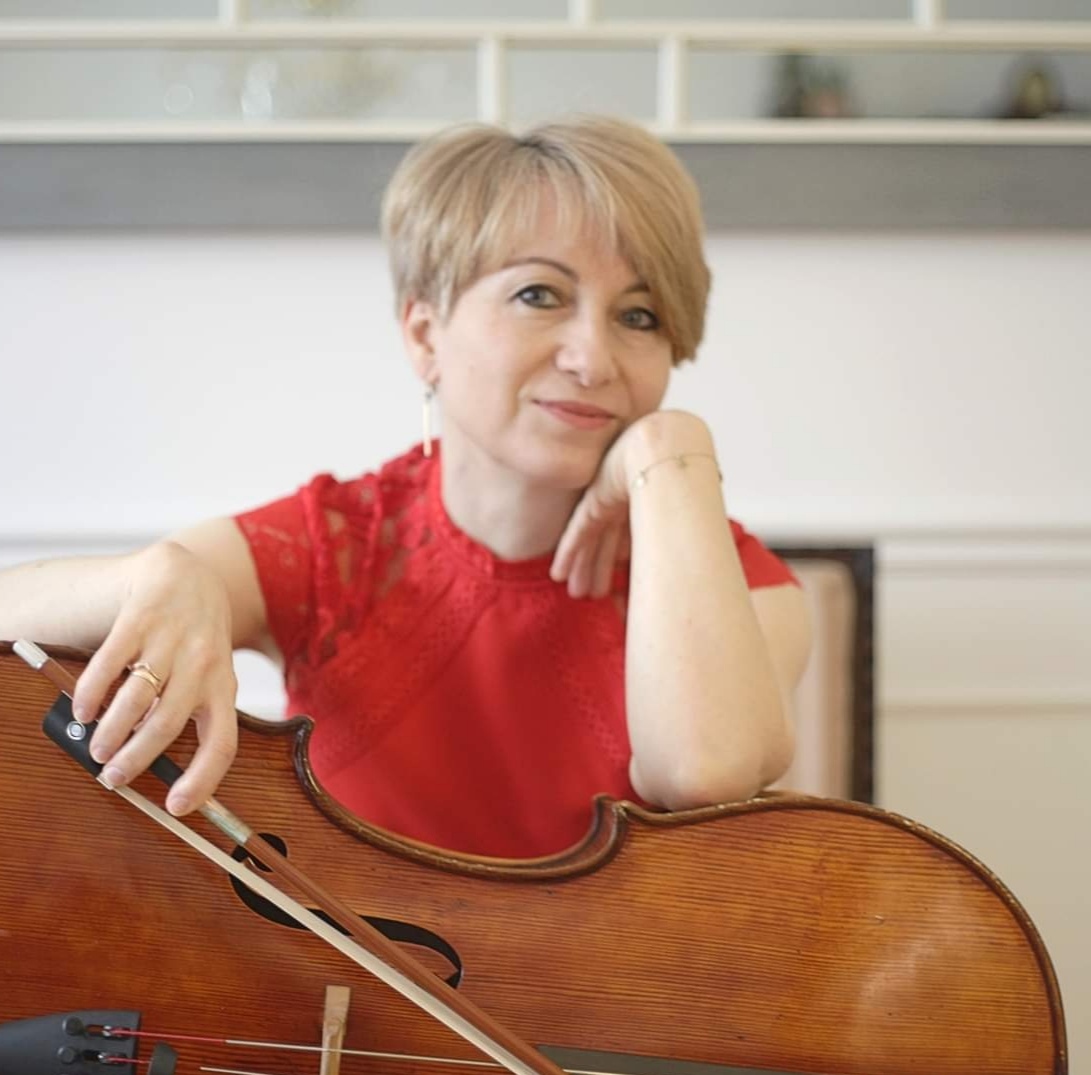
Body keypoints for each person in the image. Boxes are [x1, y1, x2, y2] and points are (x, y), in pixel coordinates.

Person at [0, 115, 811, 859]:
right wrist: (158, 576)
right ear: (425, 334)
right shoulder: (339, 543)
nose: (592, 359)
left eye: (639, 316)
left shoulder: (742, 583)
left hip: (625, 981)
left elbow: (701, 773)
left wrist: (672, 445)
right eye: (539, 295)